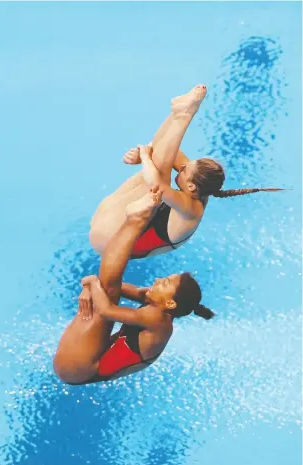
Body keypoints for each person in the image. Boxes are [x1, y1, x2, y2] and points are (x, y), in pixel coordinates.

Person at [89, 84, 283, 259]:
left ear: (190, 185)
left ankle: (184, 115)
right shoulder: (197, 183)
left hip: (109, 242)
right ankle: (178, 114)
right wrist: (142, 155)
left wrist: (146, 157)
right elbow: (168, 152)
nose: (181, 167)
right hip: (112, 228)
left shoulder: (192, 209)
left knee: (156, 174)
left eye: (183, 170)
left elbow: (157, 185)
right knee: (157, 164)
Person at [53, 187, 214, 385]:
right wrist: (91, 285)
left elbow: (106, 310)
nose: (157, 280)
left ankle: (136, 220)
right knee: (107, 288)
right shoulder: (160, 306)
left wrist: (92, 282)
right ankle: (135, 220)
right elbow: (118, 287)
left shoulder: (155, 318)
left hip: (80, 368)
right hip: (79, 365)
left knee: (105, 290)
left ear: (170, 303)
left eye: (164, 283)